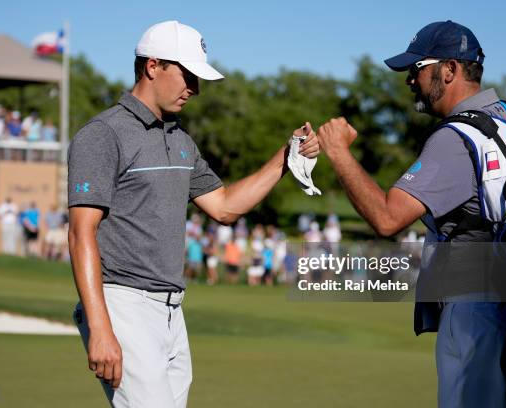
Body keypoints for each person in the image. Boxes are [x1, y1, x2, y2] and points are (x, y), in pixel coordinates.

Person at [67, 20, 319, 408]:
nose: (195, 89)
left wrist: (286, 158)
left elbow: (224, 207)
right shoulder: (103, 134)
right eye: (188, 75)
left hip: (172, 311)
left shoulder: (180, 140)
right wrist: (100, 327)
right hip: (124, 305)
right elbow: (81, 233)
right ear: (153, 67)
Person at [315, 20, 506, 407]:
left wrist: (338, 153)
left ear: (448, 69)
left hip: (476, 308)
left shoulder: (455, 137)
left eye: (417, 69)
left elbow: (387, 218)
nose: (410, 81)